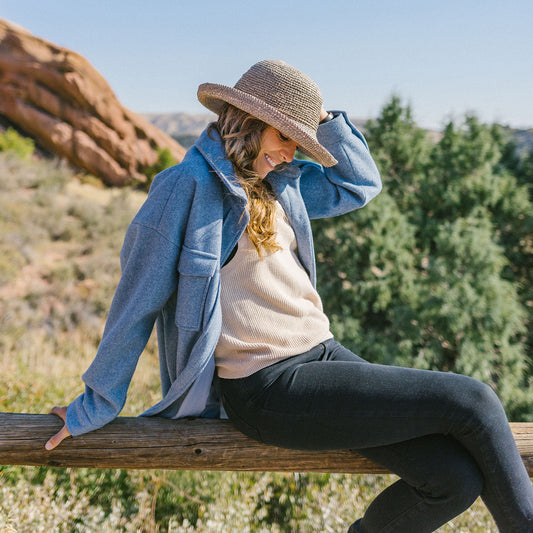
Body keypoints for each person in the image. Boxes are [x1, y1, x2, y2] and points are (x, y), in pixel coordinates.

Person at [45, 60, 533, 532]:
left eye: (301, 144)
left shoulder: (281, 185)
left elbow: (360, 183)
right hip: (267, 386)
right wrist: (96, 403)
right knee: (473, 400)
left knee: (452, 479)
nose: (291, 154)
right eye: (284, 136)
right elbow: (136, 303)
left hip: (322, 354)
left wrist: (316, 119)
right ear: (248, 120)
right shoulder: (183, 189)